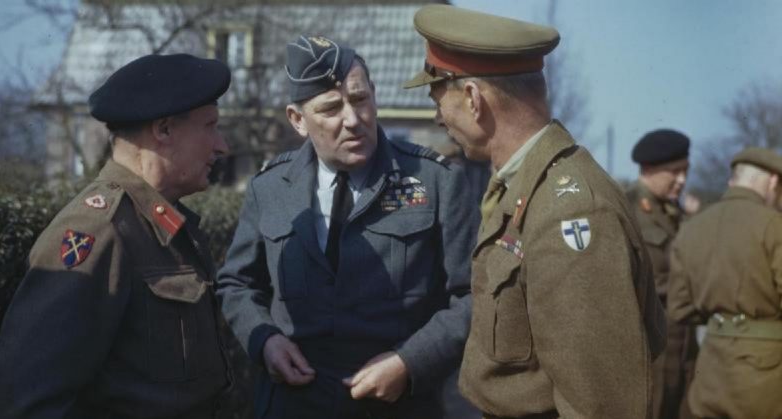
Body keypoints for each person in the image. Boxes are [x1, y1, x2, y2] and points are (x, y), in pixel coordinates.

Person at [404, 5, 666, 418]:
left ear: (473, 99)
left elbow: (601, 404)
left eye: (439, 99)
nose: (438, 118)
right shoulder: (525, 189)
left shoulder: (571, 210)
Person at [216, 35, 477, 419]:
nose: (352, 120)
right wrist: (265, 341)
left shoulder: (435, 181)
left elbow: (475, 295)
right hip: (293, 403)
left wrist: (410, 362)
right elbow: (237, 284)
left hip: (399, 405)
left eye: (359, 100)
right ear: (297, 120)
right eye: (331, 108)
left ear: (374, 94)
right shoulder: (269, 187)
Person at [0, 54, 234, 418]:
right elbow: (23, 402)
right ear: (163, 129)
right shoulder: (98, 230)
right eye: (210, 126)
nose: (221, 145)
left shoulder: (162, 223)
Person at [668, 147, 782, 419]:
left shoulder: (692, 228)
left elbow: (679, 308)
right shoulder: (774, 225)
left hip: (711, 370)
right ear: (773, 182)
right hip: (768, 375)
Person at [626, 129, 698, 419]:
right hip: (650, 346)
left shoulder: (675, 213)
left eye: (685, 171)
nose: (682, 180)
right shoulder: (627, 207)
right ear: (649, 169)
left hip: (683, 344)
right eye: (674, 172)